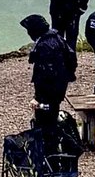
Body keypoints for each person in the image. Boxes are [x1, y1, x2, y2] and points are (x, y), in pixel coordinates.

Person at [20, 13, 77, 146]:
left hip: (49, 92)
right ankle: (51, 144)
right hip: (58, 88)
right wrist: (66, 77)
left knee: (45, 119)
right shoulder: (57, 38)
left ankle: (48, 148)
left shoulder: (44, 46)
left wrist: (38, 97)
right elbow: (72, 60)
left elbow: (44, 76)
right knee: (52, 114)